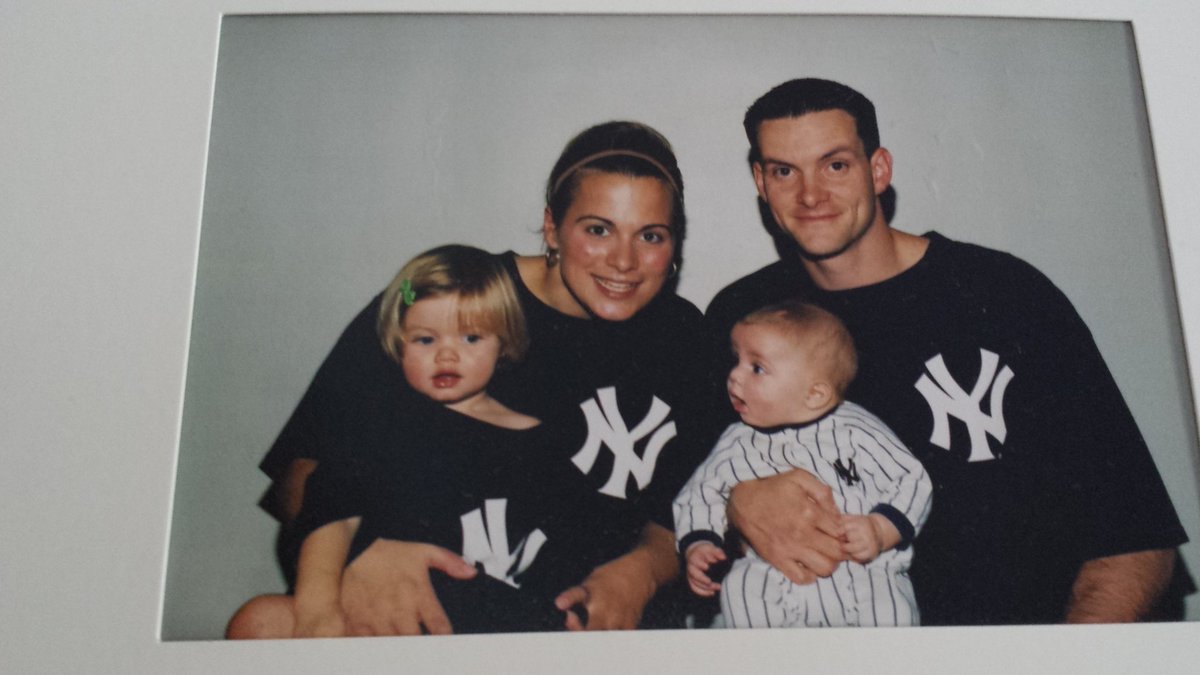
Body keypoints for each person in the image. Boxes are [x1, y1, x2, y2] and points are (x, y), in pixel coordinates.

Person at [704, 78, 1187, 625]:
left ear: (879, 169)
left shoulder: (1004, 295)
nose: (810, 195)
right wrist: (734, 503)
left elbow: (1134, 538)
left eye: (835, 165)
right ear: (760, 182)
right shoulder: (740, 317)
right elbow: (692, 504)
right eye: (784, 171)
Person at [251, 121, 714, 634]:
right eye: (597, 229)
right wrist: (361, 558)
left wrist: (642, 574)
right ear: (552, 228)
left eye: (650, 236)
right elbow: (304, 469)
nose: (623, 261)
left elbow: (696, 502)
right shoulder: (451, 301)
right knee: (261, 625)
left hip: (575, 635)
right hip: (420, 612)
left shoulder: (687, 343)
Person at [228, 245, 621, 637]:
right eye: (425, 340)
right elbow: (328, 511)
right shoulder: (379, 424)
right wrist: (318, 612)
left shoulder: (547, 443)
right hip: (383, 612)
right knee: (258, 620)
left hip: (496, 624)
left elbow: (574, 541)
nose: (447, 355)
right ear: (397, 344)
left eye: (470, 338)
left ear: (503, 342)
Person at [675, 300, 931, 627]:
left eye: (757, 368)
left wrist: (881, 529)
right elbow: (701, 493)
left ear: (815, 395)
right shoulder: (736, 441)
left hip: (860, 570)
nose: (734, 376)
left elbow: (910, 478)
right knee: (740, 589)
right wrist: (699, 544)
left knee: (889, 608)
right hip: (772, 572)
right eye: (736, 359)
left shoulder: (854, 428)